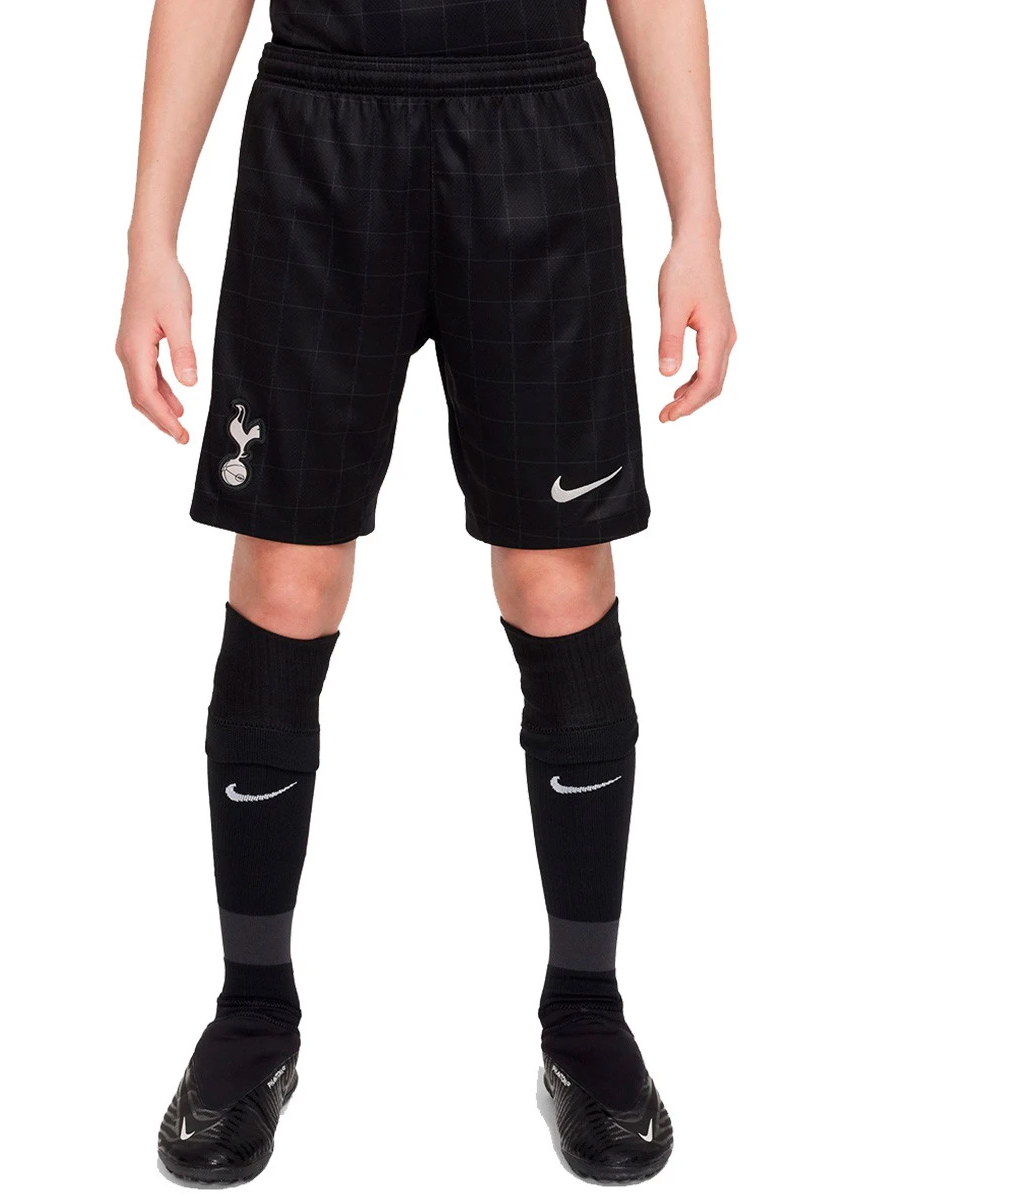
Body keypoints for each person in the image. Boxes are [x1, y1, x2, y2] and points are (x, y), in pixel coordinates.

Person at [117, 0, 735, 1185]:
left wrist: (697, 221)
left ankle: (586, 1016)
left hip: (532, 125)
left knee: (558, 579)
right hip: (320, 127)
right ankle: (253, 1015)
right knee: (286, 575)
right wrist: (152, 234)